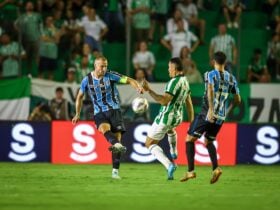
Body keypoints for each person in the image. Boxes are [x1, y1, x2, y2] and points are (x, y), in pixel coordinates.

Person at [72, 56, 144, 179]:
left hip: (114, 110)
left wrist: (137, 86)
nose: (104, 68)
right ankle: (117, 145)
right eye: (102, 66)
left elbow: (129, 80)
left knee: (117, 139)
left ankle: (115, 172)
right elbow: (79, 97)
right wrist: (77, 113)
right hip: (99, 112)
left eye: (106, 66)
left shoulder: (111, 76)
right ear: (95, 65)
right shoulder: (87, 80)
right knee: (104, 129)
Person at [180, 51, 241, 184]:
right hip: (221, 117)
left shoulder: (210, 74)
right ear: (225, 62)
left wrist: (211, 110)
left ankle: (190, 171)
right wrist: (228, 110)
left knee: (189, 139)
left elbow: (210, 90)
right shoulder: (232, 78)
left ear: (213, 61)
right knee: (208, 141)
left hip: (207, 113)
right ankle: (216, 169)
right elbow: (238, 99)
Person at [142, 57, 194, 180]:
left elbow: (164, 101)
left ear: (175, 69)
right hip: (177, 117)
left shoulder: (173, 82)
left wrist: (149, 90)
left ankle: (169, 164)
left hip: (166, 117)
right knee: (171, 129)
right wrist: (191, 122)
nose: (168, 70)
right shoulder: (185, 81)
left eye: (169, 67)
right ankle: (174, 151)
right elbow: (189, 103)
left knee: (149, 143)